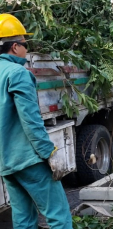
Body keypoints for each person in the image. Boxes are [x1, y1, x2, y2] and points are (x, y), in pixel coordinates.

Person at [0, 14, 72, 228]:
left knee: (23, 220)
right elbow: (30, 120)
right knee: (58, 215)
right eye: (25, 43)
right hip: (29, 160)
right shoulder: (18, 73)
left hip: (7, 162)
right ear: (14, 47)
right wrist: (49, 153)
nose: (26, 49)